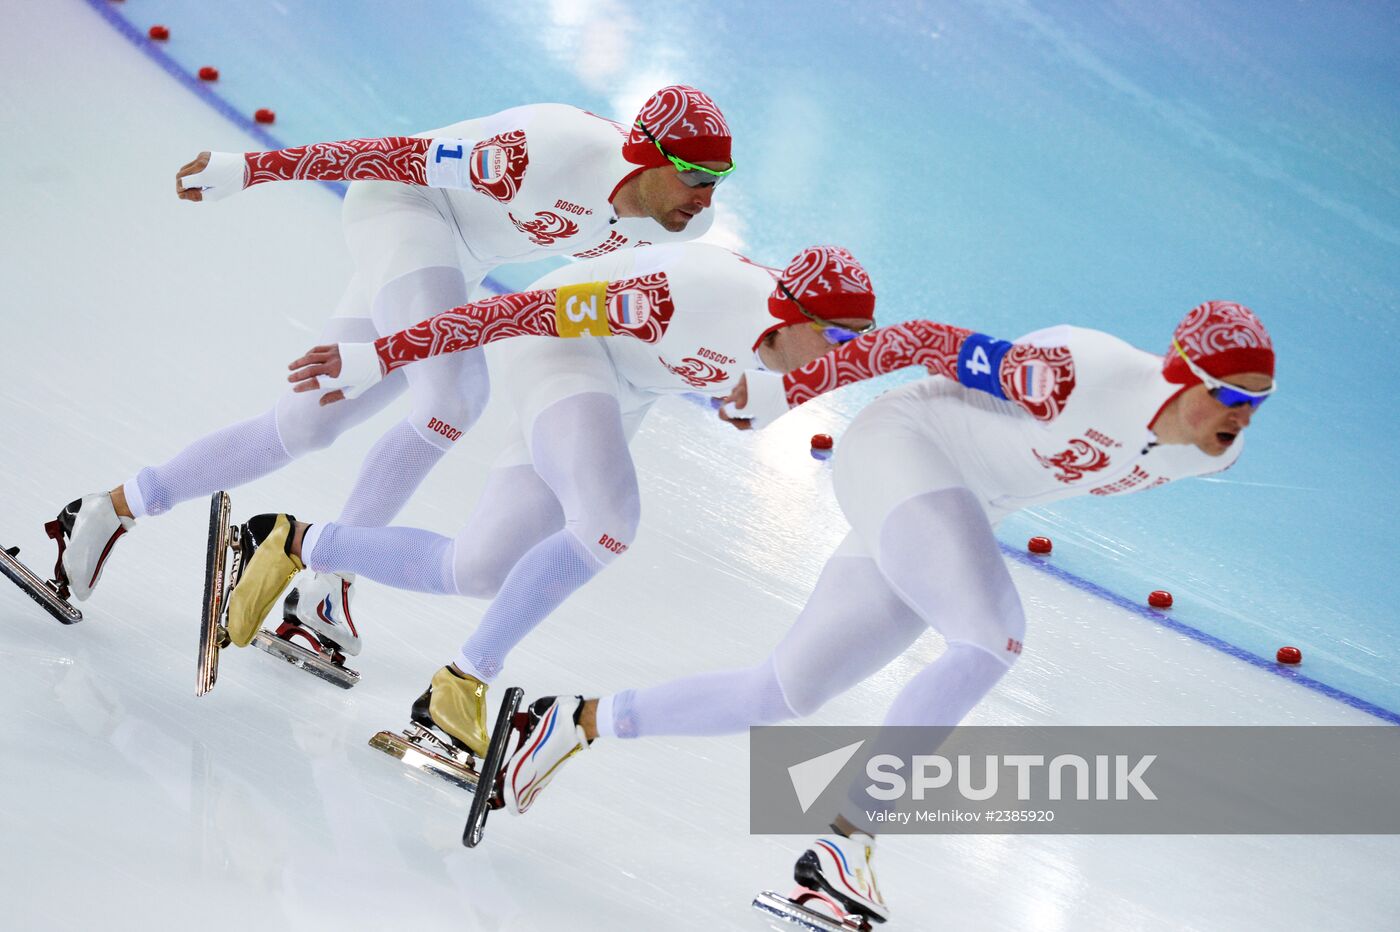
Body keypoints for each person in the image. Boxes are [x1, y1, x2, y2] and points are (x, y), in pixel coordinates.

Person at [483, 300, 1276, 925]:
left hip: (955, 497)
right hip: (907, 450)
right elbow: (921, 340)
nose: (1242, 417)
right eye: (1231, 396)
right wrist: (785, 393)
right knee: (991, 639)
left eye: (1257, 403)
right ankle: (844, 844)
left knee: (786, 690)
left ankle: (568, 723)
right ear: (1182, 373)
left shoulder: (1215, 449)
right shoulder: (1078, 373)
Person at [43, 86, 734, 658]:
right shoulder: (548, 151)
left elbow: (556, 307)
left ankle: (110, 508)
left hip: (458, 263)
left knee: (306, 426)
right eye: (697, 178)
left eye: (718, 183)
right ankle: (326, 573)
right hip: (405, 208)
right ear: (649, 156)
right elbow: (392, 155)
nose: (706, 199)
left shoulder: (674, 228)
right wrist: (251, 169)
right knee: (455, 395)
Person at [222, 244, 879, 761]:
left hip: (621, 387)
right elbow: (515, 314)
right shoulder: (693, 295)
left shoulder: (799, 338)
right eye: (840, 343)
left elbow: (786, 364)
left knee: (479, 569)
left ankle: (290, 541)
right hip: (564, 346)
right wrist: (385, 353)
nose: (844, 364)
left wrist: (765, 392)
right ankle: (461, 684)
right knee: (609, 522)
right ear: (794, 317)